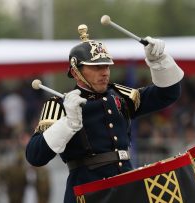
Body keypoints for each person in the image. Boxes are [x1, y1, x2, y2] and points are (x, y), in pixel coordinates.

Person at [26, 24, 184, 203]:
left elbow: (168, 94)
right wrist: (68, 123)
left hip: (126, 189)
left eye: (107, 66)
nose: (105, 73)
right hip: (89, 193)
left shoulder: (119, 96)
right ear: (75, 72)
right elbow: (34, 156)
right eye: (96, 67)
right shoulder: (60, 105)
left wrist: (159, 61)